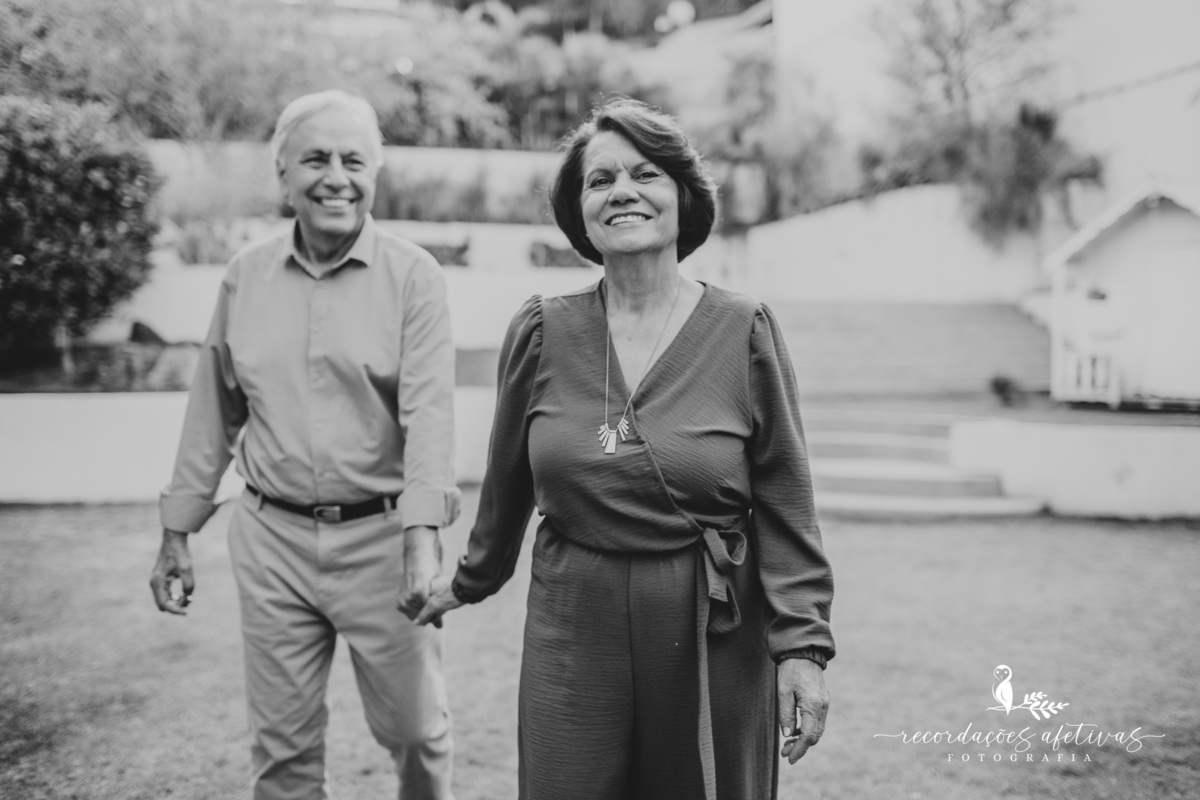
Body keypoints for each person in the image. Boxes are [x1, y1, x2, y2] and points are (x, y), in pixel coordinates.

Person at [416, 97, 835, 800]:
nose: (622, 192)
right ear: (578, 208)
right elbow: (507, 481)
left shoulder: (744, 329)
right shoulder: (543, 331)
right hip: (573, 615)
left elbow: (787, 499)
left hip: (711, 621)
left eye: (646, 174)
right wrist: (467, 580)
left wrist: (802, 648)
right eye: (600, 179)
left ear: (681, 195)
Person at [148, 90, 461, 800]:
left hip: (382, 539)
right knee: (283, 753)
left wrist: (421, 540)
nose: (336, 177)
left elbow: (429, 415)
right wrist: (177, 529)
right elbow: (213, 408)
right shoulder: (245, 275)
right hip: (272, 540)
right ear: (282, 174)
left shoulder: (414, 277)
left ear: (375, 174)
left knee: (416, 732)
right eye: (315, 159)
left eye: (354, 160)